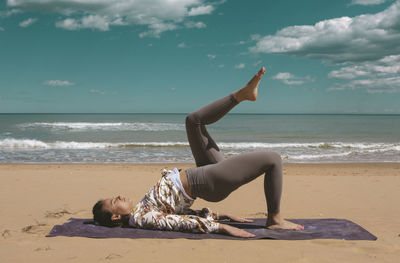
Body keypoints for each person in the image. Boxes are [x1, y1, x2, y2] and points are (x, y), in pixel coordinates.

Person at [92, 67, 304, 238]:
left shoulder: (141, 209)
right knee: (273, 159)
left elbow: (180, 212)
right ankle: (274, 218)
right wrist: (220, 227)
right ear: (114, 218)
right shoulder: (141, 218)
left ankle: (243, 94)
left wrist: (220, 215)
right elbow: (177, 223)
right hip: (205, 182)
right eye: (113, 201)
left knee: (193, 121)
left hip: (202, 176)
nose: (118, 196)